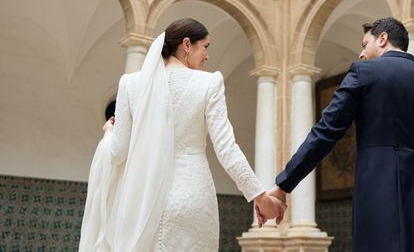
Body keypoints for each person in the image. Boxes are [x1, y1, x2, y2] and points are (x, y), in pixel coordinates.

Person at [264, 17, 414, 252]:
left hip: (377, 194)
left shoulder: (362, 72)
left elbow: (324, 133)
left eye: (365, 44)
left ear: (382, 38)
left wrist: (284, 186)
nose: (361, 54)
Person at [79, 18, 285, 251]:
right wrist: (259, 196)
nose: (207, 55)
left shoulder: (130, 84)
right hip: (191, 197)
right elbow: (227, 150)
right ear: (187, 44)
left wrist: (108, 133)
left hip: (142, 201)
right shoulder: (209, 83)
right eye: (205, 46)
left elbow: (117, 153)